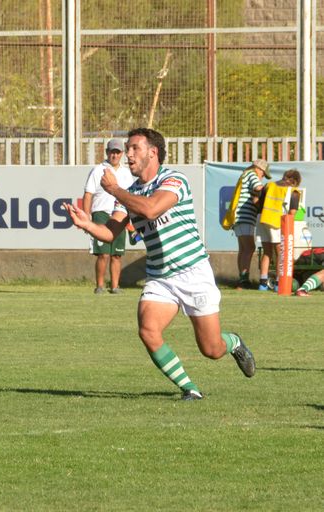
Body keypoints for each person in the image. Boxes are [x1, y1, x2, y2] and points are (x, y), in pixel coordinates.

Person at [65, 128, 256, 400]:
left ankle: (233, 342)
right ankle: (190, 389)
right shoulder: (130, 192)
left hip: (193, 272)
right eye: (127, 149)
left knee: (212, 349)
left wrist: (114, 190)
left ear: (152, 153)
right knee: (148, 330)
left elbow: (151, 209)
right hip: (160, 276)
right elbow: (110, 233)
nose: (128, 155)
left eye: (134, 148)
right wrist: (87, 224)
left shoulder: (173, 180)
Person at [82, 138, 134, 294]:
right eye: (112, 152)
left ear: (122, 154)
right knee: (103, 254)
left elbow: (130, 196)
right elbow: (88, 194)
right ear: (107, 152)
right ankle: (99, 285)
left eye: (118, 152)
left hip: (121, 215)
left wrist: (131, 220)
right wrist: (86, 218)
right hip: (101, 213)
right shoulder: (98, 170)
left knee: (116, 254)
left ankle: (115, 286)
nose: (115, 155)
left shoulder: (126, 173)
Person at [256, 169, 302, 291]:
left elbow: (258, 203)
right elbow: (292, 213)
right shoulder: (294, 192)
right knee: (280, 253)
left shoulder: (269, 185)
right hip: (276, 221)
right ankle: (278, 283)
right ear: (295, 181)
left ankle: (263, 284)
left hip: (262, 218)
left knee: (267, 252)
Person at [231, 159, 270, 289]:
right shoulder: (252, 174)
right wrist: (273, 189)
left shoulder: (245, 175)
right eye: (263, 174)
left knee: (243, 249)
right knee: (249, 248)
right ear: (258, 169)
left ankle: (242, 279)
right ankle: (244, 280)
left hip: (240, 217)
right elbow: (258, 187)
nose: (262, 177)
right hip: (245, 216)